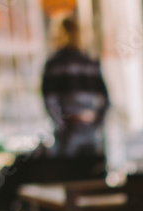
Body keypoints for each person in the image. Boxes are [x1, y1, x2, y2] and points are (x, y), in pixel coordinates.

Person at [41, 17, 109, 157]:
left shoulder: (55, 64)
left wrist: (61, 125)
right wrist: (96, 124)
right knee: (91, 173)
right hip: (90, 132)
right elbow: (105, 100)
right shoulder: (90, 62)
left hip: (68, 134)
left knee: (68, 173)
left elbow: (49, 100)